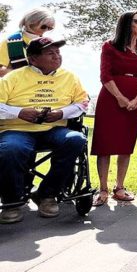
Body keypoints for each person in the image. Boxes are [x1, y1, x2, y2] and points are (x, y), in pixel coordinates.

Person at [0, 37, 88, 224]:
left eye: (58, 52)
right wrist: (19, 112)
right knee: (11, 149)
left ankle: (46, 194)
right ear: (33, 59)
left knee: (75, 139)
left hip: (53, 128)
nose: (57, 56)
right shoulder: (13, 77)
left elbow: (82, 103)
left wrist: (61, 113)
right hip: (17, 129)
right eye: (50, 53)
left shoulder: (69, 77)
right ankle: (12, 201)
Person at [91, 11, 137, 206]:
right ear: (126, 23)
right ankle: (102, 189)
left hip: (135, 100)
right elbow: (104, 75)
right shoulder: (109, 46)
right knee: (105, 144)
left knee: (126, 145)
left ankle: (120, 187)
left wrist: (135, 99)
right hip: (111, 98)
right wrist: (120, 98)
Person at [0, 7, 55, 77]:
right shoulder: (11, 42)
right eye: (43, 26)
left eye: (50, 28)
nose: (46, 30)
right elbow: (1, 70)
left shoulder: (47, 44)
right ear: (31, 22)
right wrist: (26, 76)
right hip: (17, 85)